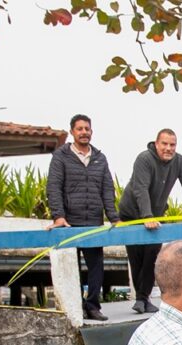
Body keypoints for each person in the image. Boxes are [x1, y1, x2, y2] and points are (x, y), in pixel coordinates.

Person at [118, 129, 182, 315]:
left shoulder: (179, 161)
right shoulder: (144, 159)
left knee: (152, 256)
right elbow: (140, 189)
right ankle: (141, 298)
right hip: (133, 213)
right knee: (137, 258)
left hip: (156, 215)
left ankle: (143, 298)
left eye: (172, 145)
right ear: (156, 144)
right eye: (165, 144)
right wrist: (147, 216)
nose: (168, 148)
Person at [46, 114, 119, 321]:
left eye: (87, 129)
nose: (84, 132)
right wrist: (58, 216)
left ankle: (93, 306)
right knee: (73, 267)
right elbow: (54, 187)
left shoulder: (99, 158)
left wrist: (113, 217)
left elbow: (107, 188)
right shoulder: (61, 156)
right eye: (80, 129)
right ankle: (76, 305)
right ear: (72, 132)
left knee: (96, 266)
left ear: (91, 132)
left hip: (94, 221)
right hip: (70, 221)